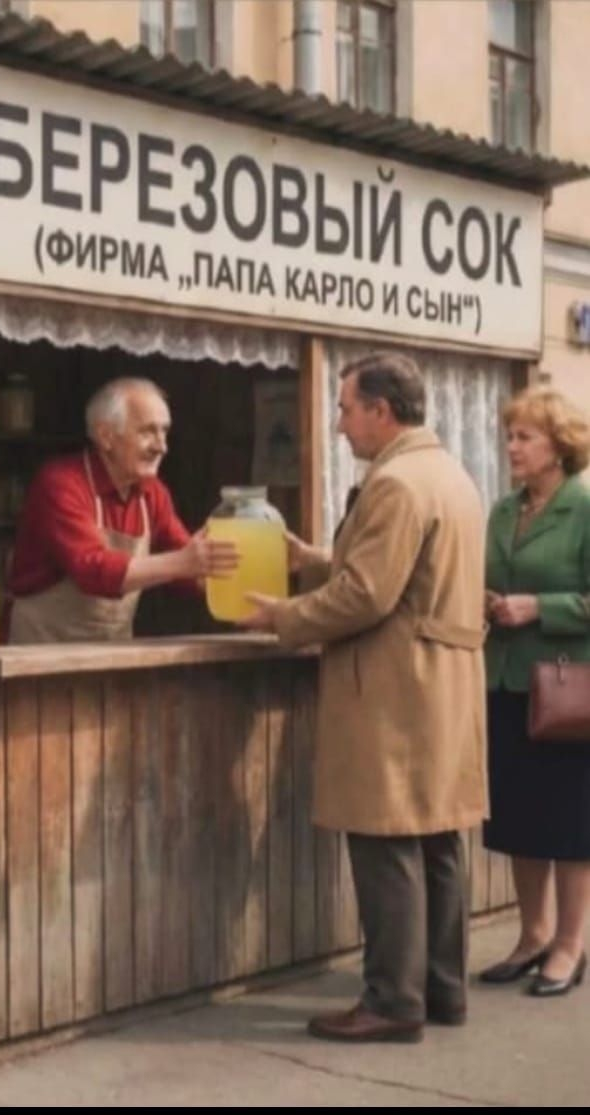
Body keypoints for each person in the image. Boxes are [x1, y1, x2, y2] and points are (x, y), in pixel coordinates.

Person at [241, 351, 487, 1043]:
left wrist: (283, 616)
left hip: (394, 689)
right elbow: (401, 567)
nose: (339, 424)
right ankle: (441, 990)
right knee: (436, 841)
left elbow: (368, 594)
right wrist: (312, 558)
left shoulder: (396, 484)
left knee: (386, 843)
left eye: (347, 409)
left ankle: (392, 1001)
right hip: (440, 688)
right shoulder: (447, 473)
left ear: (382, 411)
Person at [478, 386, 590, 997]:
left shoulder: (585, 507)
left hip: (569, 689)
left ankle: (570, 946)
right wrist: (486, 601)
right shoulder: (503, 510)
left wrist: (539, 607)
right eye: (510, 436)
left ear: (559, 445)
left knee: (569, 823)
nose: (512, 447)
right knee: (520, 817)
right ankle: (533, 936)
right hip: (506, 682)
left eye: (525, 437)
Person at [7, 376, 237, 643]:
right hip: (40, 649)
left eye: (164, 431)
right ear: (106, 436)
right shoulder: (61, 483)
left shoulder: (152, 492)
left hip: (111, 652)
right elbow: (92, 570)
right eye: (147, 432)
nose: (162, 447)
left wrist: (223, 578)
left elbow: (184, 562)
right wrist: (183, 562)